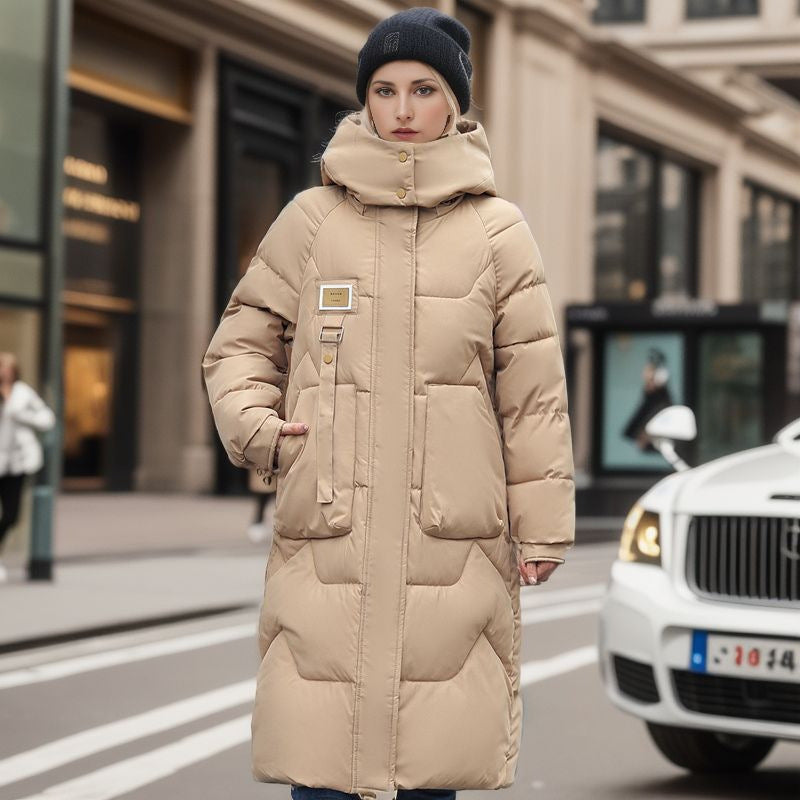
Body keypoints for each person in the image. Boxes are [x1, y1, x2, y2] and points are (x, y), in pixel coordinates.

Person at [202, 7, 575, 799]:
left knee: (431, 763)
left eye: (424, 88)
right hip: (328, 533)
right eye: (385, 89)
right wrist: (262, 432)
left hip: (452, 541)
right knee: (323, 766)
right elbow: (240, 344)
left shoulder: (499, 233)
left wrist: (543, 528)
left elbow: (532, 395)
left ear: (455, 104)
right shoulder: (311, 221)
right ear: (364, 101)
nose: (403, 109)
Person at [0, 352, 56, 582]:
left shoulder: (23, 393)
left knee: (12, 515)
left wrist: (19, 415)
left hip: (17, 464)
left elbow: (47, 419)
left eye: (7, 367)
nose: (4, 371)